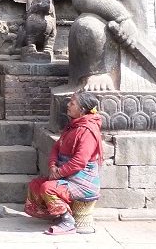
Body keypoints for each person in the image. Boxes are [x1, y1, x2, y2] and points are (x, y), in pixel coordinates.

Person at [25, 91, 103, 235]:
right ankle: (57, 214)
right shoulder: (73, 126)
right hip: (66, 176)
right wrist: (53, 166)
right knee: (35, 185)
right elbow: (57, 147)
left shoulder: (87, 130)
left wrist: (59, 173)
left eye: (72, 103)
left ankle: (67, 222)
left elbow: (79, 161)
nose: (68, 105)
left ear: (82, 110)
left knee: (48, 188)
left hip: (82, 183)